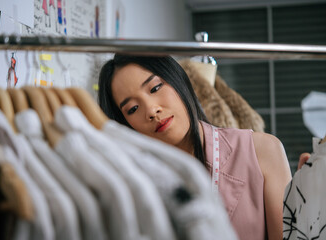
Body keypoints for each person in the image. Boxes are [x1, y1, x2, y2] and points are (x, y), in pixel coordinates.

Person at [98, 54, 292, 240]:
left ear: (178, 80)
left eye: (155, 88)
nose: (151, 110)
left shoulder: (263, 150)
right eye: (132, 109)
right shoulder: (135, 187)